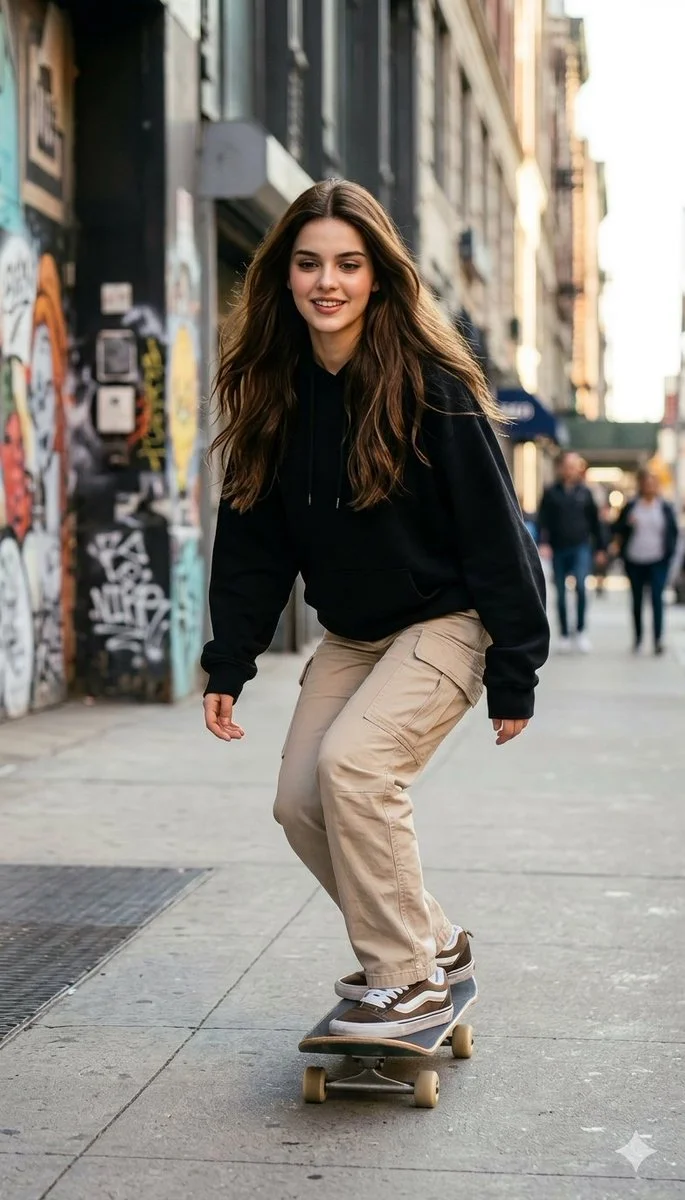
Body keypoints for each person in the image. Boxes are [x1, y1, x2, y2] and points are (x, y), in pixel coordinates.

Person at [201, 179, 549, 1040]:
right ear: (283, 275)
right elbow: (252, 543)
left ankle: (408, 979)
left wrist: (514, 669)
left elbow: (496, 532)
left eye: (349, 265)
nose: (328, 281)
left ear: (378, 277)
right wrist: (230, 658)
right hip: (355, 633)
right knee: (298, 802)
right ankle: (431, 938)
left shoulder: (431, 386)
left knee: (354, 769)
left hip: (449, 619)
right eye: (309, 262)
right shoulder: (273, 393)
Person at [538, 452, 607, 653]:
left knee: (581, 587)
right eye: (567, 466)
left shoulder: (585, 493)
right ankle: (564, 634)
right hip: (558, 547)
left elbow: (595, 522)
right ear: (560, 468)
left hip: (581, 546)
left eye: (573, 466)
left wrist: (601, 547)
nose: (570, 470)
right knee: (560, 592)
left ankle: (580, 630)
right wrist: (544, 543)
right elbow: (543, 520)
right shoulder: (551, 493)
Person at [613, 469, 678, 655]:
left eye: (652, 483)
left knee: (657, 598)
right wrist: (628, 524)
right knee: (637, 600)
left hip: (658, 560)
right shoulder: (632, 506)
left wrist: (669, 554)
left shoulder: (664, 507)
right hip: (635, 560)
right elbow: (617, 528)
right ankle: (639, 637)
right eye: (646, 483)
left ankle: (658, 639)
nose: (649, 486)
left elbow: (672, 533)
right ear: (641, 485)